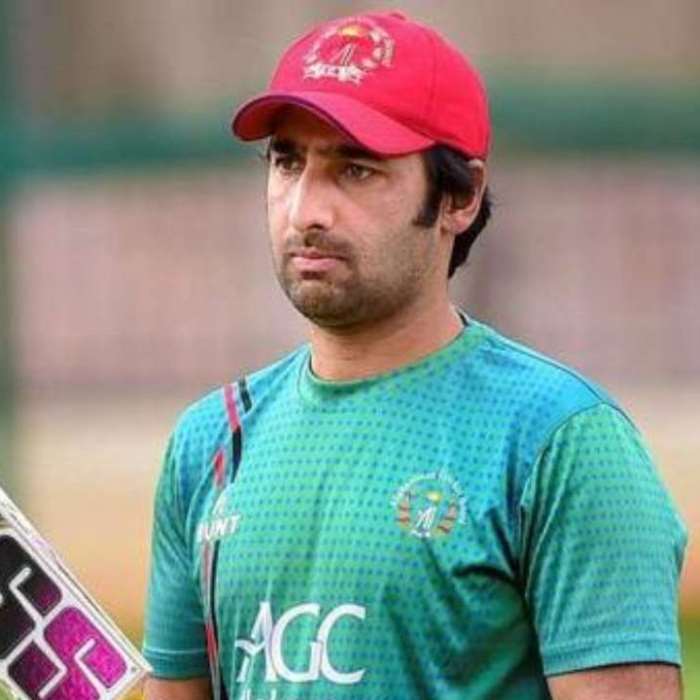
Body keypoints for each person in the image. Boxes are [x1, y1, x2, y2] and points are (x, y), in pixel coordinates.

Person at [142, 10, 687, 700]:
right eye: (287, 162)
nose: (306, 210)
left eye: (356, 170)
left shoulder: (560, 440)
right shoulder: (208, 443)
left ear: (460, 196)